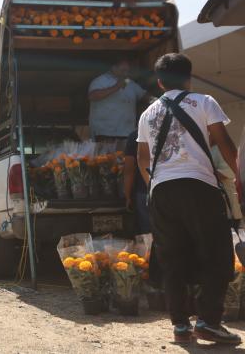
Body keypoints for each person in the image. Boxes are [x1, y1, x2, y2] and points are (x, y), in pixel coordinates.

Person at [136, 53, 241, 345]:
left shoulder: (148, 114)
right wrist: (241, 177)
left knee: (173, 260)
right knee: (217, 254)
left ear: (159, 82)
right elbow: (224, 141)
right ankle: (208, 322)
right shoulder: (205, 102)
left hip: (162, 193)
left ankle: (180, 327)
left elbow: (142, 157)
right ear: (189, 77)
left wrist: (155, 185)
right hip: (198, 187)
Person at [88, 58, 150, 145]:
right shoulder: (100, 81)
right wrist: (117, 86)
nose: (126, 73)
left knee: (124, 158)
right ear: (113, 68)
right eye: (123, 70)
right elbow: (93, 96)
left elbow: (144, 96)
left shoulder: (130, 83)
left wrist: (159, 100)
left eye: (127, 71)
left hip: (127, 131)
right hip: (105, 132)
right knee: (105, 158)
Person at [123, 129, 150, 234]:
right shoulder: (173, 131)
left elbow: (129, 170)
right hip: (166, 189)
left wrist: (128, 196)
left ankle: (149, 250)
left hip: (144, 191)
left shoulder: (135, 135)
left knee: (147, 233)